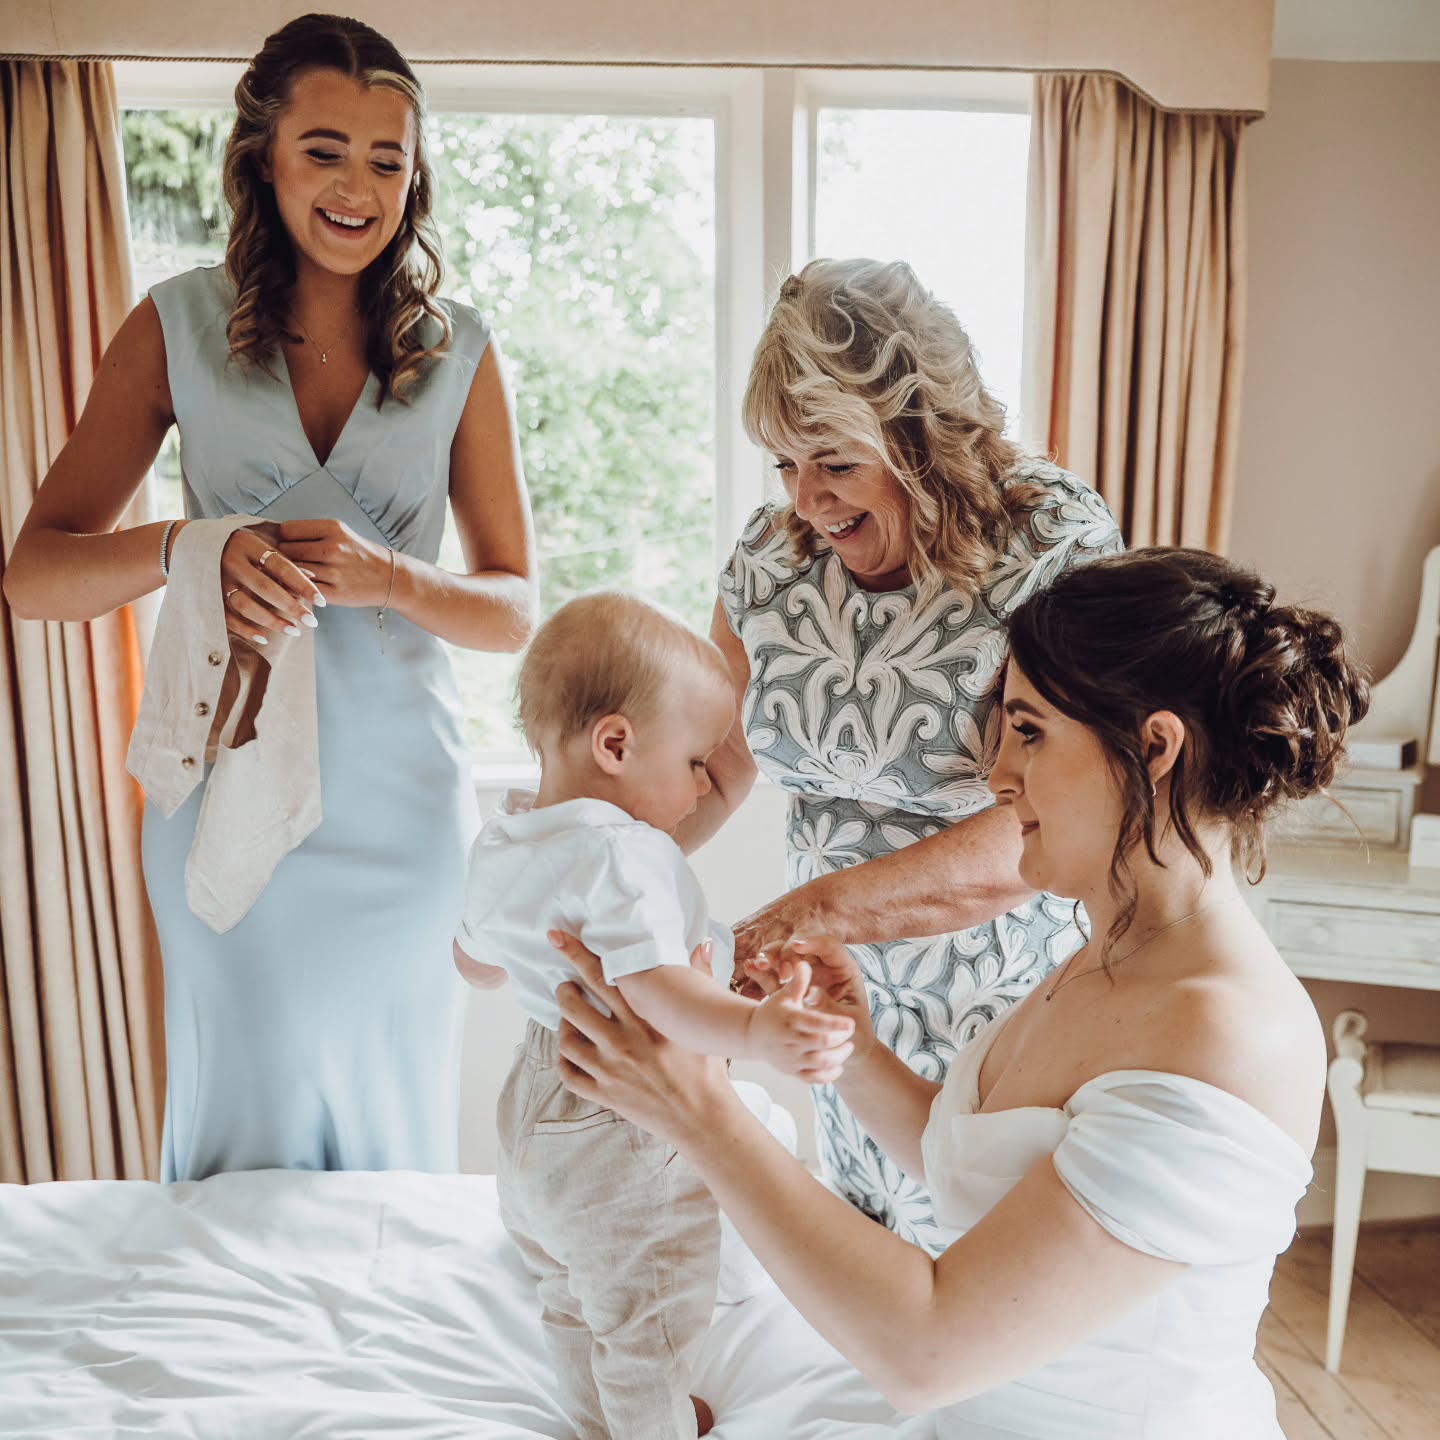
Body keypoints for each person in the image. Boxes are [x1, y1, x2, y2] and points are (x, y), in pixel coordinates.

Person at [550, 547, 1371, 1439]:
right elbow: (982, 1169)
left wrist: (697, 1109)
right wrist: (856, 1055)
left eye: (1029, 731)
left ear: (1155, 747)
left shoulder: (1227, 1032)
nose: (997, 776)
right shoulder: (1113, 948)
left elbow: (925, 1354)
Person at [3, 14, 536, 1181]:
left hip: (405, 819)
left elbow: (513, 610)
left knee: (391, 1138)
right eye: (326, 150)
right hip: (221, 806)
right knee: (244, 1136)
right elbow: (35, 573)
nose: (358, 187)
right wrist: (188, 547)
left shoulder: (459, 352)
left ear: (415, 179)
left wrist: (392, 575)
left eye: (388, 161)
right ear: (263, 157)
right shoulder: (175, 326)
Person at [678, 258, 1123, 1249]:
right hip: (833, 1008)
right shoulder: (770, 557)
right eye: (785, 464)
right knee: (866, 1307)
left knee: (982, 1308)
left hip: (1001, 1019)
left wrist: (807, 913)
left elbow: (1057, 814)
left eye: (835, 461)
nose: (808, 501)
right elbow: (710, 760)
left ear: (918, 436)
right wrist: (592, 855)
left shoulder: (1048, 540)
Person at [453, 591, 852, 1440]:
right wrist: (754, 1031)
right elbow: (655, 991)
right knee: (649, 1319)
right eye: (697, 764)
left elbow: (475, 961)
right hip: (617, 1121)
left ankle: (595, 1422)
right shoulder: (622, 851)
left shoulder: (509, 836)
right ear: (616, 745)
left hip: (531, 1106)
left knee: (570, 1295)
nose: (706, 785)